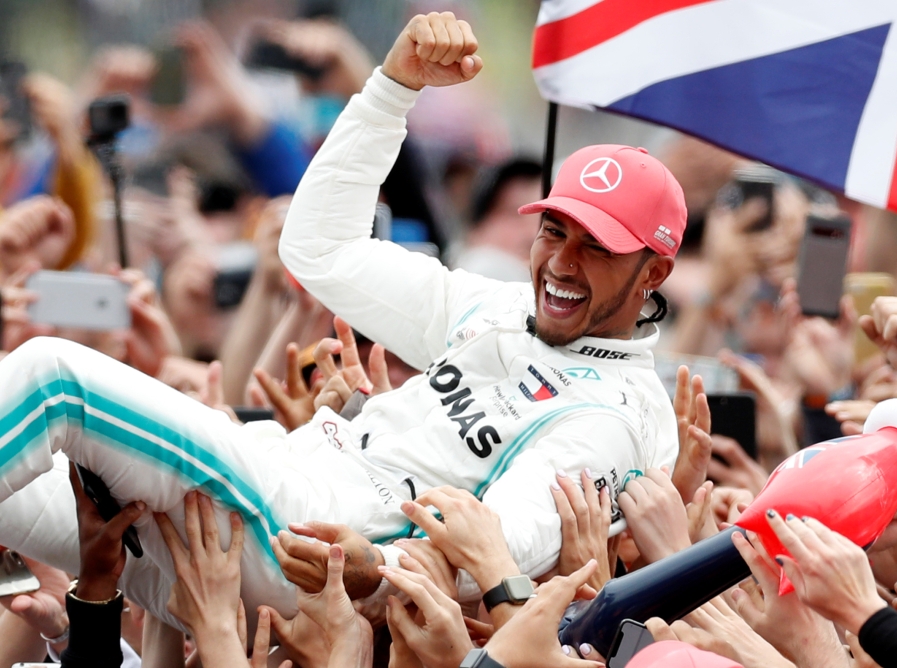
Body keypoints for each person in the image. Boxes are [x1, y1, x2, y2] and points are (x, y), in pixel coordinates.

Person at [0, 11, 687, 626]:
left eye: (598, 246)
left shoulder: (616, 416)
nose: (563, 263)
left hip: (313, 540)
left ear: (652, 272)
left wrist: (378, 572)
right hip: (266, 484)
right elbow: (320, 251)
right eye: (554, 231)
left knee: (52, 376)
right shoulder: (500, 305)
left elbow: (496, 547)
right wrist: (392, 88)